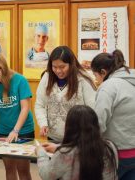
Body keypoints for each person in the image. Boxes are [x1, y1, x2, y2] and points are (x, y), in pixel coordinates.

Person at [36, 105, 118, 180]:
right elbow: (84, 148)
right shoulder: (110, 147)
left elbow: (46, 175)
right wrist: (58, 147)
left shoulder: (65, 153)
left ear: (69, 127)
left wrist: (41, 153)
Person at [35, 46, 96, 143]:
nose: (58, 71)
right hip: (53, 138)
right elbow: (40, 105)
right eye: (54, 67)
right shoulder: (47, 77)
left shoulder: (83, 79)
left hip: (77, 139)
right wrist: (43, 124)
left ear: (71, 64)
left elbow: (92, 110)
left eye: (62, 67)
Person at [91, 50, 135, 180]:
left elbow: (98, 122)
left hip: (116, 154)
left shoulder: (108, 87)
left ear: (103, 72)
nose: (96, 80)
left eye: (96, 76)